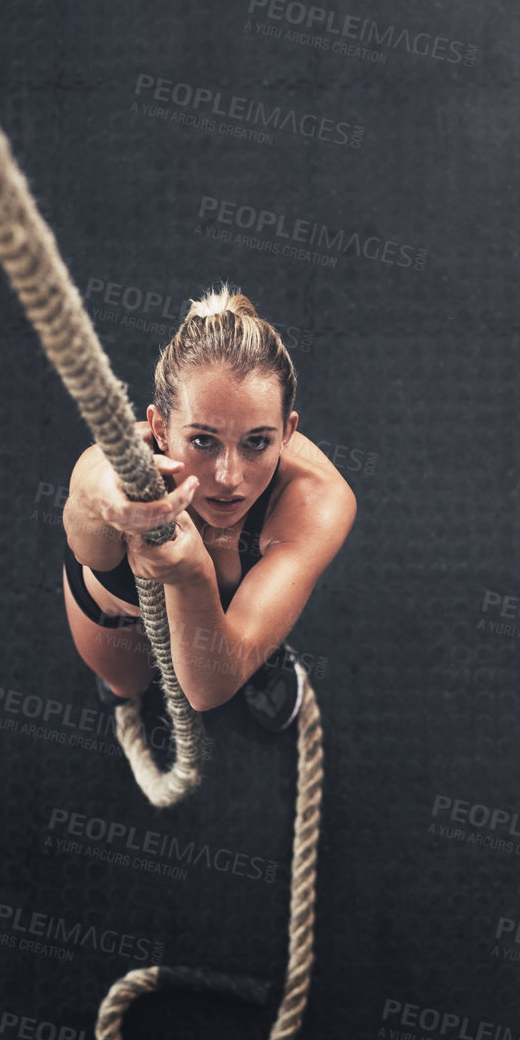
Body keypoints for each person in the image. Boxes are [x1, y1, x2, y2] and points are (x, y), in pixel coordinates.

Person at [60, 284, 356, 731]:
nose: (229, 477)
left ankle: (252, 651)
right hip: (117, 616)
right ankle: (135, 684)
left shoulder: (318, 500)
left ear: (287, 432)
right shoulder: (116, 465)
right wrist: (103, 504)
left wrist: (193, 574)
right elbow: (92, 551)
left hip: (231, 623)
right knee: (125, 688)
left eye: (257, 442)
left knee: (232, 658)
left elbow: (205, 693)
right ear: (160, 429)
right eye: (202, 441)